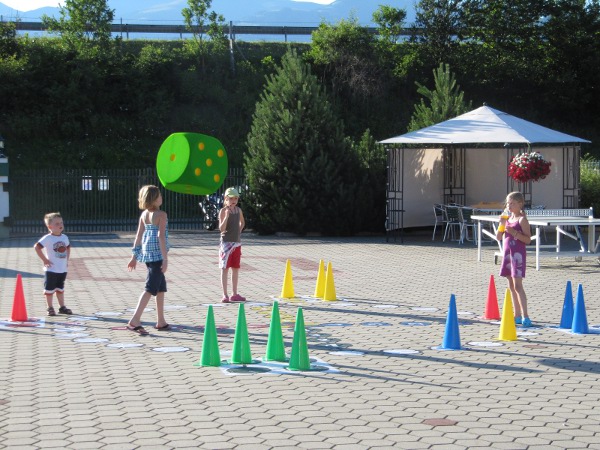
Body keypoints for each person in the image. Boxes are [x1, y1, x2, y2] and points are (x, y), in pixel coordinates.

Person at [126, 185, 170, 335]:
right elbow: (161, 237)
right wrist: (165, 259)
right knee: (150, 288)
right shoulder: (161, 215)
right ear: (153, 199)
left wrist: (134, 257)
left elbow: (138, 236)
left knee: (160, 288)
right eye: (159, 196)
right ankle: (134, 320)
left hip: (148, 256)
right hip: (158, 256)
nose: (161, 198)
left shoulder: (144, 215)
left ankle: (161, 320)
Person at [496, 191, 532, 327]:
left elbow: (528, 240)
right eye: (508, 203)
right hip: (507, 255)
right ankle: (516, 314)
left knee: (518, 286)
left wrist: (514, 233)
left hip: (518, 256)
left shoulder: (522, 220)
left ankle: (525, 315)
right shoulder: (507, 219)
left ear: (520, 204)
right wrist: (501, 224)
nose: (509, 206)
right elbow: (498, 237)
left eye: (512, 203)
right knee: (511, 285)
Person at [34, 212, 73, 316]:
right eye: (57, 223)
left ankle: (62, 307)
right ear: (49, 226)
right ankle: (50, 307)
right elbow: (37, 247)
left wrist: (66, 261)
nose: (60, 225)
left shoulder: (64, 237)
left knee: (60, 289)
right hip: (51, 269)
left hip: (62, 269)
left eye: (61, 222)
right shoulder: (48, 238)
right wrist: (45, 260)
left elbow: (68, 248)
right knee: (49, 289)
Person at [219, 187, 246, 303]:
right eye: (231, 199)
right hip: (226, 244)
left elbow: (242, 222)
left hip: (236, 243)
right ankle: (225, 294)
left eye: (235, 198)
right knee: (224, 268)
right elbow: (221, 229)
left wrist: (239, 231)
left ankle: (234, 293)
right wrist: (226, 217)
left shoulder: (238, 210)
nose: (233, 201)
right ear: (226, 199)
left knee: (235, 268)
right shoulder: (223, 211)